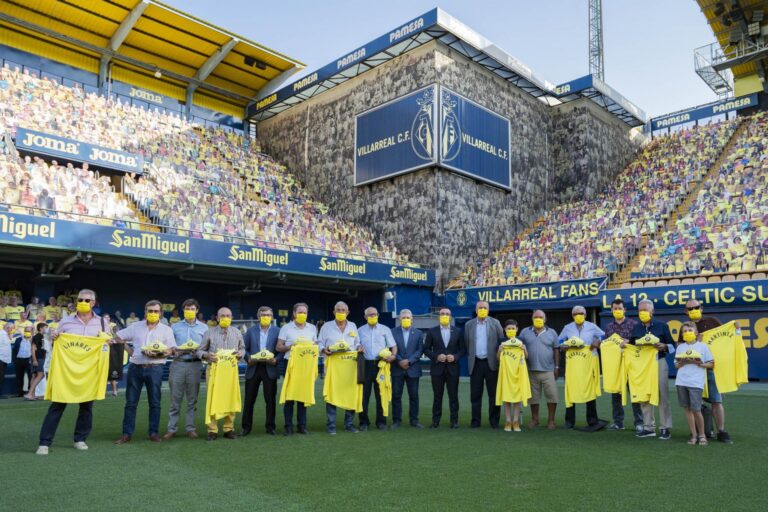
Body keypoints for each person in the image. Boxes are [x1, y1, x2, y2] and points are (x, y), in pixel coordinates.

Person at [36, 289, 106, 455]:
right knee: (57, 405)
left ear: (94, 303)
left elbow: (105, 345)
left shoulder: (102, 323)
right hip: (66, 370)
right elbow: (54, 342)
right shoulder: (66, 322)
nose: (83, 302)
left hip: (89, 371)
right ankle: (44, 442)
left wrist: (107, 341)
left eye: (87, 300)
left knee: (87, 407)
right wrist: (53, 337)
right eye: (80, 300)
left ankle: (80, 439)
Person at [114, 300, 176, 444]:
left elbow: (171, 349)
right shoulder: (135, 327)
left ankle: (153, 433)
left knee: (155, 402)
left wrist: (158, 354)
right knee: (130, 403)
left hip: (155, 368)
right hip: (135, 368)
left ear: (160, 313)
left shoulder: (167, 330)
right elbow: (118, 337)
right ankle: (126, 434)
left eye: (155, 311)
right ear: (145, 312)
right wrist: (131, 352)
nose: (153, 314)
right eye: (150, 311)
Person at [679, 299, 732, 443]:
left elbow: (726, 339)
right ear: (686, 311)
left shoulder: (713, 321)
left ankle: (721, 431)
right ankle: (700, 432)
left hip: (710, 368)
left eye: (696, 307)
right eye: (690, 309)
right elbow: (680, 346)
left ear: (701, 308)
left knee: (716, 400)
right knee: (694, 404)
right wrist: (696, 343)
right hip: (692, 371)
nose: (693, 310)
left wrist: (737, 329)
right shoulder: (685, 327)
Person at [630, 299, 675, 440]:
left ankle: (665, 427)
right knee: (645, 394)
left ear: (652, 312)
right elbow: (632, 346)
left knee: (662, 395)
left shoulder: (662, 326)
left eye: (645, 310)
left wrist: (664, 346)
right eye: (640, 310)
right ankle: (648, 427)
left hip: (659, 362)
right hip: (642, 365)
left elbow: (672, 345)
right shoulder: (636, 328)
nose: (642, 313)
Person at [197, 307, 244, 440]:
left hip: (231, 371)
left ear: (232, 318)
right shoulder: (209, 332)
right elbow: (199, 351)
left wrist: (241, 354)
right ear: (217, 318)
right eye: (222, 316)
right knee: (213, 398)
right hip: (213, 371)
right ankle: (212, 430)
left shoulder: (237, 332)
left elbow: (242, 348)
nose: (225, 318)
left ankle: (229, 428)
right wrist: (207, 355)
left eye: (228, 315)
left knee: (231, 397)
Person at [164, 298, 208, 440]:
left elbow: (206, 347)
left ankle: (190, 428)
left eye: (192, 309)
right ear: (183, 310)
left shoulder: (204, 328)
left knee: (192, 399)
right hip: (178, 363)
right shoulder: (174, 327)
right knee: (175, 399)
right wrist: (174, 351)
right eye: (187, 309)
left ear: (197, 310)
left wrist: (200, 352)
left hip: (195, 364)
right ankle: (172, 429)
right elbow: (169, 346)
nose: (190, 311)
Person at [559, 306, 607, 430]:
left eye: (581, 313)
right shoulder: (567, 327)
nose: (578, 315)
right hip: (573, 364)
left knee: (589, 389)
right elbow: (560, 340)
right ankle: (569, 422)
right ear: (572, 315)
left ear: (585, 315)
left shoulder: (592, 326)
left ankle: (592, 420)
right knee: (570, 390)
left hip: (588, 363)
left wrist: (598, 341)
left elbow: (604, 335)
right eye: (575, 313)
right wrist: (563, 346)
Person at [317, 301, 362, 434]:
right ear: (334, 312)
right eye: (338, 310)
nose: (341, 312)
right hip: (333, 364)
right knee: (332, 392)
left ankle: (349, 424)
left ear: (348, 312)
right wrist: (324, 350)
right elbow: (319, 343)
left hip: (350, 365)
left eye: (343, 310)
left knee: (351, 393)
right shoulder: (326, 326)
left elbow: (357, 343)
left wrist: (359, 347)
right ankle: (331, 425)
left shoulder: (353, 326)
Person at [276, 302, 318, 435]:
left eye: (304, 312)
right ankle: (288, 426)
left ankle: (302, 426)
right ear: (294, 313)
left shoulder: (312, 328)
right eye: (300, 312)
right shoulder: (286, 328)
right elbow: (278, 347)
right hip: (291, 364)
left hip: (306, 365)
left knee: (302, 395)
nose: (302, 315)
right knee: (289, 396)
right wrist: (292, 346)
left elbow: (315, 345)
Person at [603, 298, 643, 432]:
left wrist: (629, 342)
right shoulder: (609, 327)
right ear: (611, 310)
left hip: (631, 363)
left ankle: (639, 422)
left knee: (634, 393)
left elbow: (639, 342)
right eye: (615, 308)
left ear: (624, 310)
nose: (617, 311)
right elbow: (606, 345)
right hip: (615, 365)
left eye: (620, 308)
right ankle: (618, 422)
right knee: (616, 394)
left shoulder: (634, 324)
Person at [463, 301, 504, 429]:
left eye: (484, 308)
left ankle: (494, 421)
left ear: (488, 310)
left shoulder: (495, 323)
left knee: (494, 395)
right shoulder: (468, 325)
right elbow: (467, 343)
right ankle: (475, 421)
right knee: (475, 394)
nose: (482, 309)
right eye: (480, 308)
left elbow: (501, 341)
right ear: (476, 310)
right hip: (476, 363)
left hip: (491, 363)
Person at [423, 308, 464, 428]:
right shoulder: (432, 331)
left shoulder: (457, 331)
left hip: (453, 368)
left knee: (453, 396)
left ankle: (454, 421)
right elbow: (425, 349)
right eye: (442, 314)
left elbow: (463, 349)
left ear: (451, 317)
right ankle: (435, 421)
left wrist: (455, 357)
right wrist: (436, 356)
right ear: (438, 317)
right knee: (437, 396)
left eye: (447, 314)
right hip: (437, 369)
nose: (445, 316)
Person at [242, 306, 280, 436]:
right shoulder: (250, 331)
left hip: (270, 367)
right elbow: (244, 349)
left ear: (272, 317)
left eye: (268, 315)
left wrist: (276, 360)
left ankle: (270, 427)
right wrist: (248, 358)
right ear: (258, 317)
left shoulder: (277, 331)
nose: (266, 317)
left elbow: (280, 350)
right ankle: (246, 427)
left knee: (270, 400)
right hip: (254, 367)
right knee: (249, 400)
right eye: (263, 315)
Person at [674, 322, 714, 446]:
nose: (687, 333)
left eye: (690, 330)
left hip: (696, 383)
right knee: (687, 409)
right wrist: (683, 362)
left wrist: (698, 363)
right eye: (684, 331)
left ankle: (702, 435)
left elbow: (711, 364)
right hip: (681, 381)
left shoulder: (702, 347)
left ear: (696, 333)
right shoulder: (680, 347)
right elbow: (676, 364)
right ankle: (694, 435)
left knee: (696, 410)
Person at [357, 306, 397, 431]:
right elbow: (356, 345)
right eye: (369, 315)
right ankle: (363, 422)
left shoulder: (385, 329)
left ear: (378, 315)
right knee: (363, 395)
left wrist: (393, 356)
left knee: (381, 394)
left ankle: (381, 422)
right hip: (364, 364)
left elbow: (393, 346)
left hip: (381, 365)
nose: (372, 316)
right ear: (365, 317)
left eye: (374, 314)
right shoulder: (360, 330)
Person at [518, 310, 559, 429]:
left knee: (552, 396)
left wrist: (557, 367)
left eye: (541, 317)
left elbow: (556, 349)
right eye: (536, 317)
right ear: (532, 318)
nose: (538, 319)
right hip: (530, 370)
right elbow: (519, 348)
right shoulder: (525, 332)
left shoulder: (552, 332)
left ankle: (551, 420)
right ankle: (535, 419)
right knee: (533, 398)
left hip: (548, 370)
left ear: (545, 319)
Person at [391, 309, 424, 429]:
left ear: (412, 319)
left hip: (413, 369)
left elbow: (420, 350)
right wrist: (399, 360)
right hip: (397, 368)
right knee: (396, 395)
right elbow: (391, 349)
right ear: (399, 319)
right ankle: (396, 420)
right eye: (403, 317)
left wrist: (409, 361)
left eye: (408, 317)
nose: (406, 319)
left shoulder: (419, 333)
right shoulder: (393, 332)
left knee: (414, 396)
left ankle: (414, 420)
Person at [25, 322, 47, 400]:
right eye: (45, 327)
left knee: (34, 376)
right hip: (38, 358)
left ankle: (32, 395)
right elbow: (33, 348)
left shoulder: (41, 336)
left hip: (38, 357)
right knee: (41, 375)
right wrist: (34, 360)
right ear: (41, 328)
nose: (46, 329)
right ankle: (30, 393)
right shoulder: (38, 336)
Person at [104, 313, 122, 397]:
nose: (106, 319)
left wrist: (112, 332)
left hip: (112, 351)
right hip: (102, 351)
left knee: (112, 373)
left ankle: (114, 392)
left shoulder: (113, 325)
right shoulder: (99, 326)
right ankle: (101, 392)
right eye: (105, 318)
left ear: (110, 318)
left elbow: (117, 334)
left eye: (107, 317)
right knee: (102, 373)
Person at [13, 324, 32, 397]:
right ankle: (19, 392)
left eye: (29, 331)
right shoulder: (18, 339)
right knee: (19, 377)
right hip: (19, 360)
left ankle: (30, 391)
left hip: (29, 360)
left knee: (31, 376)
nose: (27, 332)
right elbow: (14, 350)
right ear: (24, 331)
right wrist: (15, 360)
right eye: (26, 331)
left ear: (32, 332)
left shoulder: (33, 339)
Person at [0, 323, 11, 398]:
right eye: (11, 328)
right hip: (1, 358)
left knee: (1, 376)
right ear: (7, 327)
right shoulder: (1, 334)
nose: (11, 330)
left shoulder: (5, 334)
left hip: (4, 359)